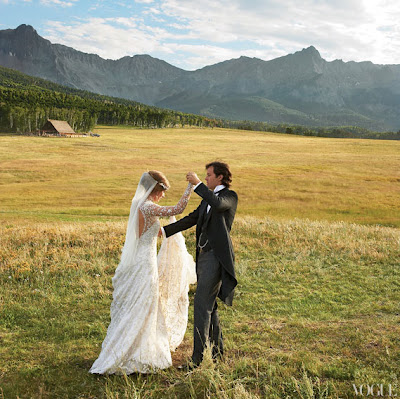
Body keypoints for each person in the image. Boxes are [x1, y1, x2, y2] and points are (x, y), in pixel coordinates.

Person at [89, 171, 194, 374]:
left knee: (144, 303)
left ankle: (138, 346)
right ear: (156, 190)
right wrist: (191, 187)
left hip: (143, 261)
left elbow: (156, 232)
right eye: (162, 192)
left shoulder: (141, 206)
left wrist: (174, 234)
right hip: (145, 264)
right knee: (144, 304)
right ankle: (132, 351)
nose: (163, 196)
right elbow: (178, 208)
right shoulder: (147, 206)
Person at [162, 161, 238, 368]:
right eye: (204, 176)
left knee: (202, 306)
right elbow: (192, 218)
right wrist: (163, 232)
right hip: (203, 257)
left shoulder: (229, 197)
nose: (206, 178)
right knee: (209, 306)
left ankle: (197, 360)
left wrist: (197, 185)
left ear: (220, 177)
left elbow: (218, 204)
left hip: (216, 259)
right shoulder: (208, 199)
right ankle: (217, 352)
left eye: (209, 175)